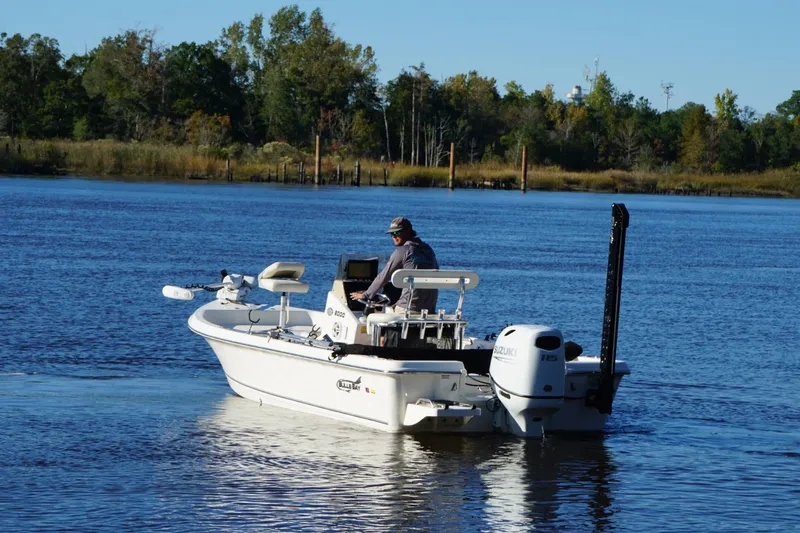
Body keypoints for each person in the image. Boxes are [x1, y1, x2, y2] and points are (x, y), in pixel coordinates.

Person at [350, 217, 439, 313]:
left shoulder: (404, 251)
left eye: (397, 233)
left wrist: (366, 295)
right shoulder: (429, 251)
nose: (393, 236)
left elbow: (384, 276)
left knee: (376, 314)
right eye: (391, 234)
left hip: (407, 309)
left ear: (408, 231)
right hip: (429, 310)